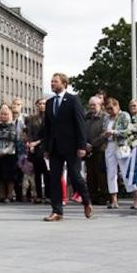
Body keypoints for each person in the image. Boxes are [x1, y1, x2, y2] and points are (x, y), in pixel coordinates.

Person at [35, 73, 93, 221]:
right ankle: (57, 211)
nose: (52, 84)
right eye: (51, 81)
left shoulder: (73, 100)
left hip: (72, 147)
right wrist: (46, 148)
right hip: (54, 147)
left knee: (75, 176)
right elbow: (47, 127)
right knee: (54, 178)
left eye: (55, 81)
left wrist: (82, 146)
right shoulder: (49, 103)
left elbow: (80, 124)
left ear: (64, 83)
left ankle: (86, 201)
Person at [102, 97, 137, 209]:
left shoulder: (124, 115)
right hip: (109, 146)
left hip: (121, 146)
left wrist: (114, 132)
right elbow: (103, 131)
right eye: (107, 109)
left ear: (117, 105)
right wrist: (105, 135)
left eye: (111, 108)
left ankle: (136, 198)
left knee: (126, 172)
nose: (109, 111)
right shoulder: (106, 118)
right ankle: (114, 200)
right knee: (111, 173)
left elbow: (128, 131)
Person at [0, 104, 21, 203]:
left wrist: (4, 151)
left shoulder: (13, 127)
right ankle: (1, 195)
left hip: (9, 154)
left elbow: (14, 141)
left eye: (6, 114)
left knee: (9, 176)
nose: (4, 116)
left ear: (10, 115)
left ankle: (9, 195)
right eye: (2, 114)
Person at [84, 96, 108, 205]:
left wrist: (92, 144)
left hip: (100, 149)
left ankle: (103, 196)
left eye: (94, 104)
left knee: (101, 174)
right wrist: (85, 144)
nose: (92, 107)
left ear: (100, 105)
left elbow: (104, 133)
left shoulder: (105, 117)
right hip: (88, 150)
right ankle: (92, 196)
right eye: (91, 104)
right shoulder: (87, 117)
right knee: (90, 174)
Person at [25, 98, 48, 203]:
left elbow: (49, 134)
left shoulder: (50, 118)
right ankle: (38, 195)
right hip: (34, 149)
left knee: (48, 173)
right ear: (36, 105)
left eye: (44, 104)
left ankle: (48, 195)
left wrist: (37, 142)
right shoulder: (31, 119)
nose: (42, 105)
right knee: (37, 173)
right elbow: (29, 132)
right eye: (40, 104)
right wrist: (30, 143)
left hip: (45, 147)